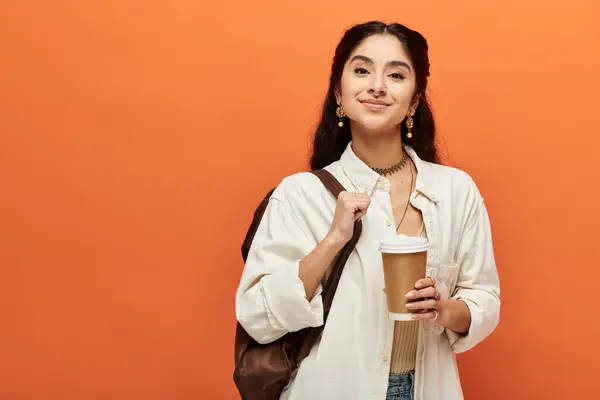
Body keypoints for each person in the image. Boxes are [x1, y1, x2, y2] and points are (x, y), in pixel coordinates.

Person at [235, 21, 500, 400]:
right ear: (339, 95)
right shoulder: (299, 195)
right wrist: (333, 239)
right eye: (361, 70)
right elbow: (258, 319)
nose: (377, 85)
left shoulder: (455, 190)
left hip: (427, 388)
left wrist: (442, 309)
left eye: (395, 74)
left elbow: (484, 299)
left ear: (414, 101)